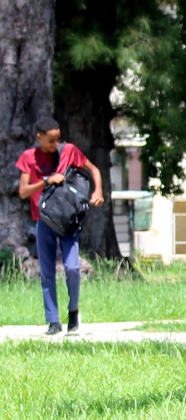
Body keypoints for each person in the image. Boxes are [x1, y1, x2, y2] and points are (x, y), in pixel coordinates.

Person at [16, 117, 104, 336]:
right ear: (39, 138)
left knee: (72, 267)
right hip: (43, 219)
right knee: (46, 271)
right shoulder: (29, 157)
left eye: (58, 140)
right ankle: (53, 321)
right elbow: (23, 191)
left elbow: (94, 170)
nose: (55, 145)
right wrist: (46, 181)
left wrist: (98, 191)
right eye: (50, 141)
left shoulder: (69, 151)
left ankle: (73, 311)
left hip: (68, 220)